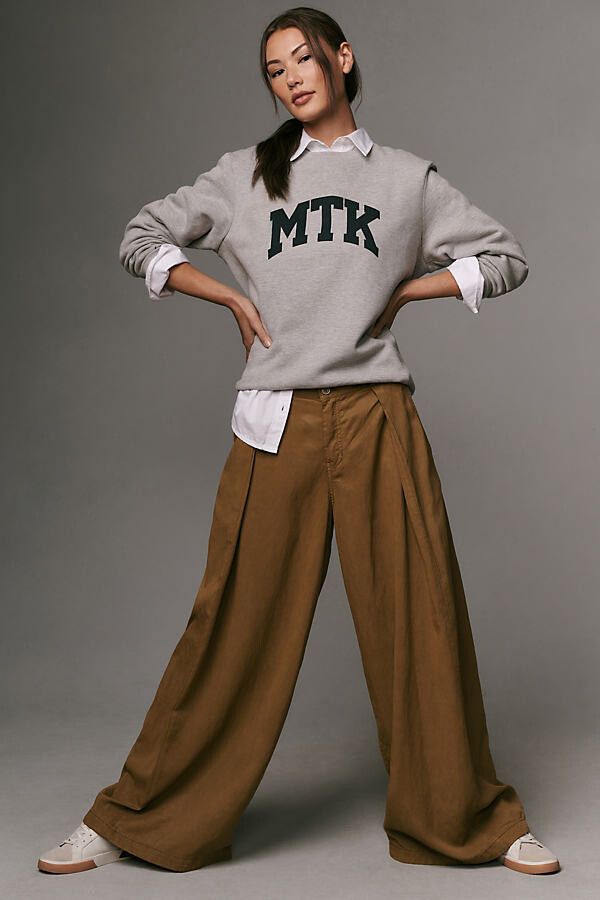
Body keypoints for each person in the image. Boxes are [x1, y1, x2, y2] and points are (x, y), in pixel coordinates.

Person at [37, 5, 560, 878]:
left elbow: (506, 257)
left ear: (342, 59)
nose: (290, 79)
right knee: (231, 625)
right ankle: (136, 816)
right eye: (275, 71)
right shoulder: (245, 175)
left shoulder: (406, 180)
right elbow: (142, 237)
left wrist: (411, 290)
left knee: (422, 617)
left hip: (377, 415)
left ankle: (472, 818)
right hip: (276, 420)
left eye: (303, 59)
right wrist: (226, 295)